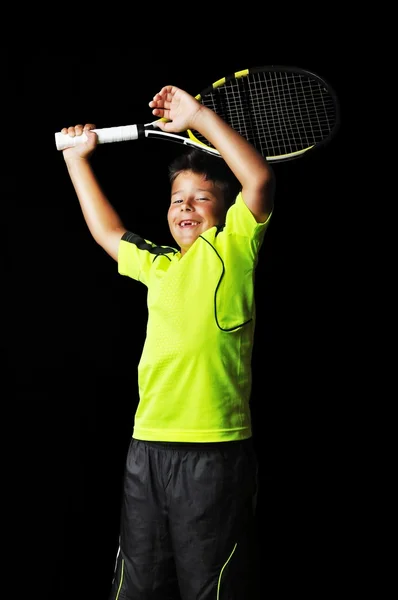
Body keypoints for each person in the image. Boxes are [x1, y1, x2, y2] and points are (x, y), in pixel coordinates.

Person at [60, 84, 275, 599]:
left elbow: (259, 178)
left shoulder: (235, 249)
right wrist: (77, 159)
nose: (188, 206)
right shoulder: (157, 265)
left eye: (203, 198)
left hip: (214, 454)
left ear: (225, 211)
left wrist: (198, 115)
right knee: (137, 583)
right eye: (179, 198)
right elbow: (108, 232)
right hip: (147, 447)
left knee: (212, 586)